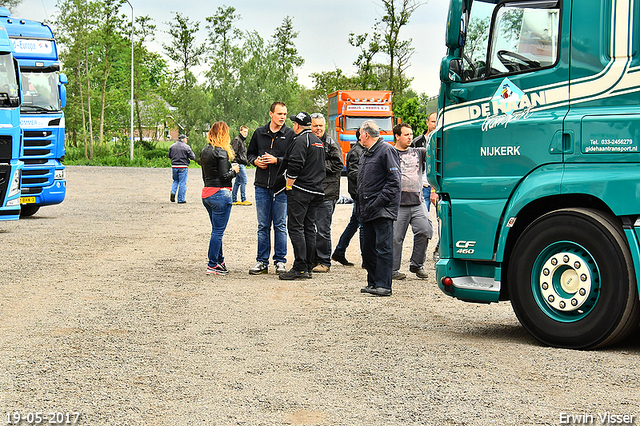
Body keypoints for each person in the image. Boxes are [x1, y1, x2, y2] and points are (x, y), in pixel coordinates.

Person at [246, 101, 295, 275]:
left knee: (280, 225)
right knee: (263, 225)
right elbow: (249, 153)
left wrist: (277, 160)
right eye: (279, 114)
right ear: (271, 114)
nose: (283, 117)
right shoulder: (259, 132)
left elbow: (293, 159)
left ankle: (280, 261)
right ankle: (261, 261)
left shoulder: (290, 134)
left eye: (284, 114)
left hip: (281, 187)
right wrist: (255, 161)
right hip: (261, 186)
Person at [278, 112, 326, 280]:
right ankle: (307, 267)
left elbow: (295, 165)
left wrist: (288, 186)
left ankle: (299, 267)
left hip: (301, 190)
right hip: (316, 191)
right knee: (309, 228)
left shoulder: (300, 140)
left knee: (296, 227)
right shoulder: (318, 141)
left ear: (298, 125)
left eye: (294, 123)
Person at [357, 120, 401, 296]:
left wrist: (377, 203)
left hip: (381, 210)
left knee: (383, 248)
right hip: (367, 210)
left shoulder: (387, 150)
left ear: (366, 135)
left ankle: (384, 285)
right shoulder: (366, 153)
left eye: (360, 133)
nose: (359, 136)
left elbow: (394, 182)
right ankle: (373, 282)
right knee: (368, 248)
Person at [392, 123, 433, 280]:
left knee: (425, 230)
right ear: (397, 136)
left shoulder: (419, 152)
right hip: (398, 204)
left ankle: (417, 264)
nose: (410, 137)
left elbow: (435, 150)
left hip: (417, 201)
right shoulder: (389, 152)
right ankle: (393, 269)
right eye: (406, 134)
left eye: (411, 134)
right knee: (395, 238)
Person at [200, 122, 239, 275]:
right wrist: (234, 171)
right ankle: (212, 264)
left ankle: (219, 260)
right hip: (220, 194)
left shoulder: (204, 151)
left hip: (207, 193)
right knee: (218, 231)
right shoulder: (221, 152)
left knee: (217, 229)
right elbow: (224, 176)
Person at [309, 113, 343, 273]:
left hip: (327, 193)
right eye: (315, 126)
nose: (318, 129)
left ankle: (324, 262)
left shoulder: (331, 142)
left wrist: (318, 165)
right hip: (312, 192)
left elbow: (338, 165)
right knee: (311, 228)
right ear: (310, 126)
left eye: (320, 126)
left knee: (323, 229)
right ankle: (313, 260)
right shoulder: (309, 141)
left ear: (325, 126)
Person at [331, 128, 365, 267]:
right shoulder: (356, 152)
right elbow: (352, 173)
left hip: (362, 192)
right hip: (360, 193)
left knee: (354, 223)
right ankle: (367, 260)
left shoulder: (365, 150)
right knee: (362, 225)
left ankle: (339, 251)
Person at [411, 112, 437, 212]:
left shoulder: (444, 140)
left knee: (443, 219)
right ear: (427, 122)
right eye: (433, 121)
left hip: (438, 186)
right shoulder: (416, 142)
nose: (435, 124)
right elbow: (411, 164)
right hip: (423, 185)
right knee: (422, 218)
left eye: (437, 121)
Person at [168, 134, 196, 204]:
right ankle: (181, 199)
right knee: (182, 183)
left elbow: (169, 155)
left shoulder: (172, 146)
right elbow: (193, 157)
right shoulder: (186, 147)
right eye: (186, 139)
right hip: (183, 166)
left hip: (174, 166)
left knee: (175, 180)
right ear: (183, 139)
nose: (186, 140)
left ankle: (173, 192)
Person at [231, 125, 251, 206]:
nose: (246, 133)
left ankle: (234, 199)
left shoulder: (241, 141)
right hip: (238, 163)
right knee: (244, 180)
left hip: (242, 163)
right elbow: (233, 152)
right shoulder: (237, 140)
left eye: (247, 132)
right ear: (240, 131)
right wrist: (235, 163)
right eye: (244, 131)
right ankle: (243, 199)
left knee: (238, 182)